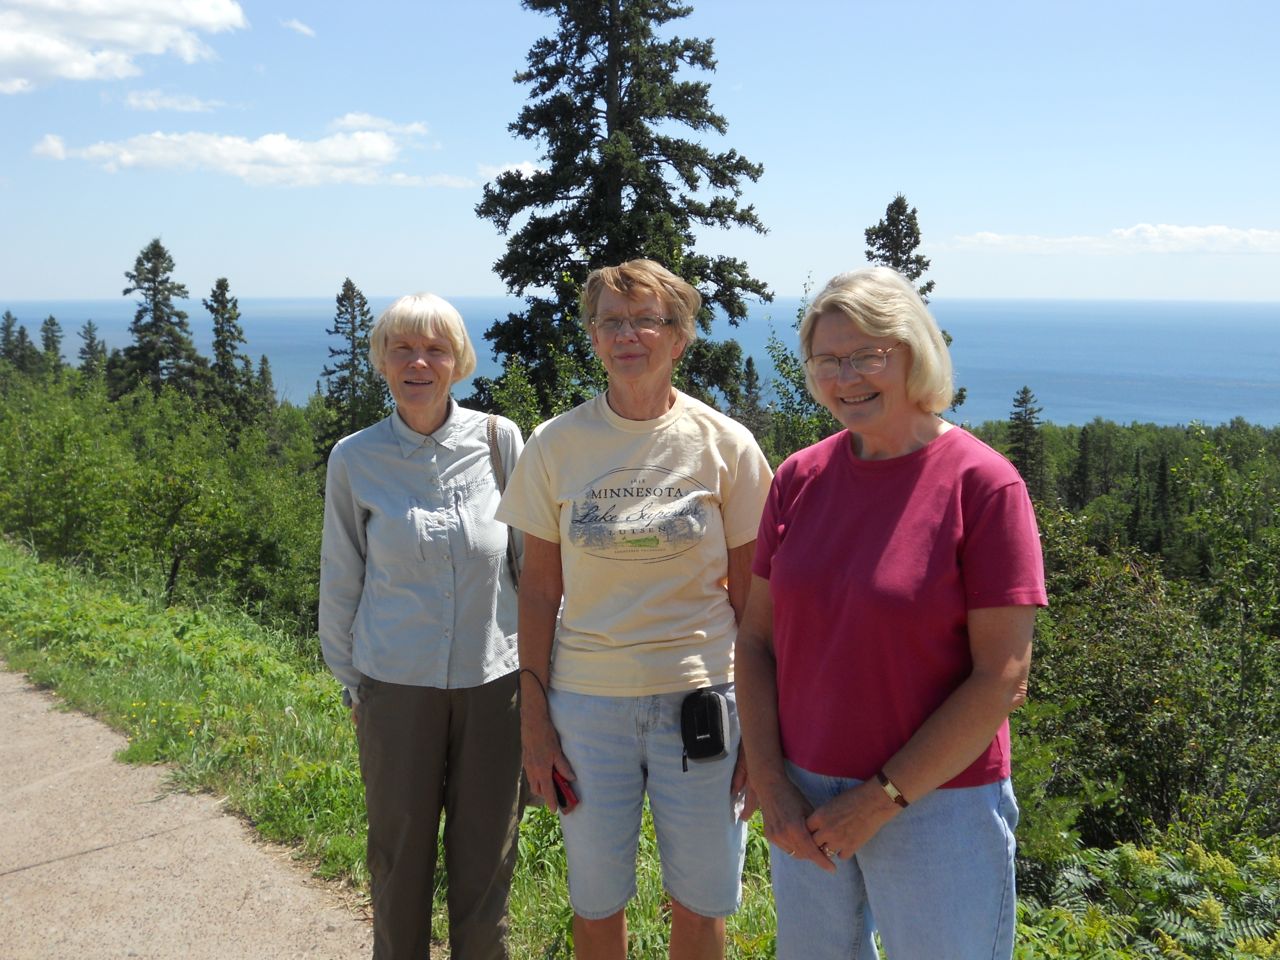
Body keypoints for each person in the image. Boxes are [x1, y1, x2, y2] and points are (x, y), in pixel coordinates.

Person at [735, 267, 1048, 960]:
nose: (844, 378)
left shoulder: (983, 485)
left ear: (913, 352)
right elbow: (755, 641)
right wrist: (771, 782)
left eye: (866, 355)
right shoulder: (799, 478)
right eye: (826, 360)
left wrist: (878, 801)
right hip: (805, 795)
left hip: (939, 802)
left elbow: (1002, 677)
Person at [496, 259, 772, 960]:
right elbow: (539, 591)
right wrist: (534, 719)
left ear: (679, 336)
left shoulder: (726, 445)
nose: (628, 335)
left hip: (704, 701)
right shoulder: (555, 445)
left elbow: (755, 603)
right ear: (592, 337)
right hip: (587, 706)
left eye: (647, 320)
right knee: (595, 903)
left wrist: (767, 728)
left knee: (702, 905)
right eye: (611, 321)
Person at [318, 293, 524, 960]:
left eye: (435, 349)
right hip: (395, 685)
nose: (418, 363)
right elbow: (341, 575)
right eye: (402, 348)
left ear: (458, 361)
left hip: (496, 685)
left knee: (487, 864)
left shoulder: (499, 441)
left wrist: (545, 679)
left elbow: (531, 566)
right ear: (381, 360)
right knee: (398, 861)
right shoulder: (355, 458)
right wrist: (354, 684)